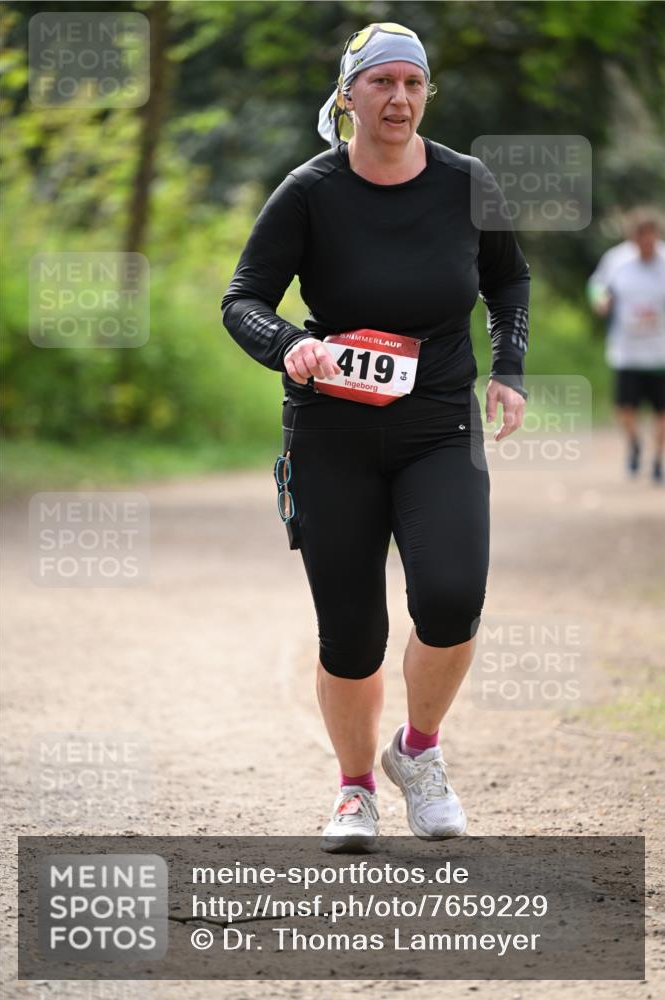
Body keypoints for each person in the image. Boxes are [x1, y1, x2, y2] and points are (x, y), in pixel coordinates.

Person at [222, 21, 530, 851]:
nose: (399, 99)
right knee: (351, 633)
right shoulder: (310, 190)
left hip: (437, 426)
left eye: (413, 84)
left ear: (427, 94)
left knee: (451, 598)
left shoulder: (466, 182)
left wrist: (509, 368)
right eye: (382, 83)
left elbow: (506, 280)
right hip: (332, 434)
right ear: (348, 95)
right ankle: (354, 789)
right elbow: (242, 299)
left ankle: (417, 755)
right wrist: (291, 347)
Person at [588, 209, 665, 483]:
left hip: (660, 352)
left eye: (650, 237)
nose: (646, 243)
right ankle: (634, 444)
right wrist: (600, 300)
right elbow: (596, 285)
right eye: (640, 238)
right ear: (632, 238)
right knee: (625, 409)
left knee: (661, 411)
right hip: (627, 350)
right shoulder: (616, 260)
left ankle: (658, 460)